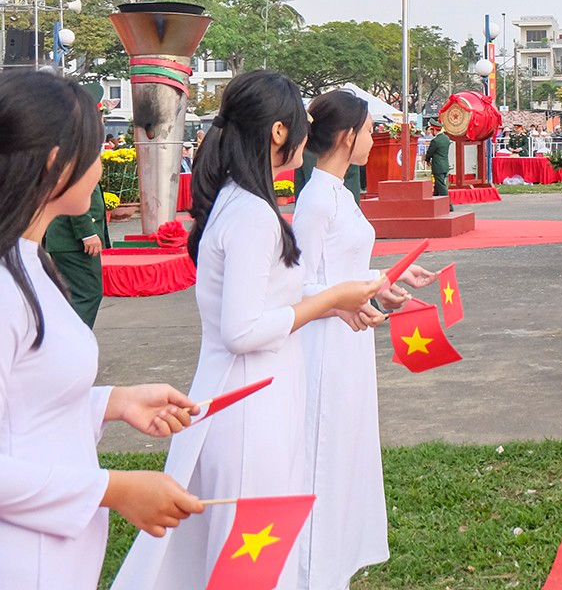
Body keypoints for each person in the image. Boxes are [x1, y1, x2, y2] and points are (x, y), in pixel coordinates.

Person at [112, 72, 385, 590]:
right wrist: (329, 300)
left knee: (246, 557)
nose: (308, 134)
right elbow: (242, 330)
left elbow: (265, 305)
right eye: (300, 123)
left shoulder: (242, 203)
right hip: (249, 409)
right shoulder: (253, 214)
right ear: (278, 132)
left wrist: (335, 303)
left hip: (255, 399)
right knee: (248, 562)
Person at [1, 72, 205, 590]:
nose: (101, 166)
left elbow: (28, 406)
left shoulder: (30, 261)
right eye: (93, 152)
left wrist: (113, 401)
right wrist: (113, 489)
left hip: (54, 551)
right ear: (57, 162)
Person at [294, 91, 435, 590]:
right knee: (323, 448)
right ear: (347, 135)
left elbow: (342, 268)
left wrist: (384, 280)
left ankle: (336, 563)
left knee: (347, 448)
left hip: (352, 336)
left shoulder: (341, 194)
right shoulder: (315, 201)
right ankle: (311, 570)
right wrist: (343, 302)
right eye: (370, 130)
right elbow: (296, 284)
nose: (375, 139)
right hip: (324, 342)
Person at [42, 162, 108, 328]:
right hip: (72, 240)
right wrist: (87, 233)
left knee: (76, 295)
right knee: (87, 294)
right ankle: (72, 340)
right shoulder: (77, 152)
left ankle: (67, 338)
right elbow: (75, 194)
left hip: (67, 239)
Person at [425, 119, 453, 202]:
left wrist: (427, 159)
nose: (431, 132)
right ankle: (433, 204)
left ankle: (449, 205)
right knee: (437, 187)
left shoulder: (435, 141)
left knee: (441, 187)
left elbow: (429, 153)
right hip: (445, 165)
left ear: (434, 130)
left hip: (438, 167)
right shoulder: (446, 138)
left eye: (431, 130)